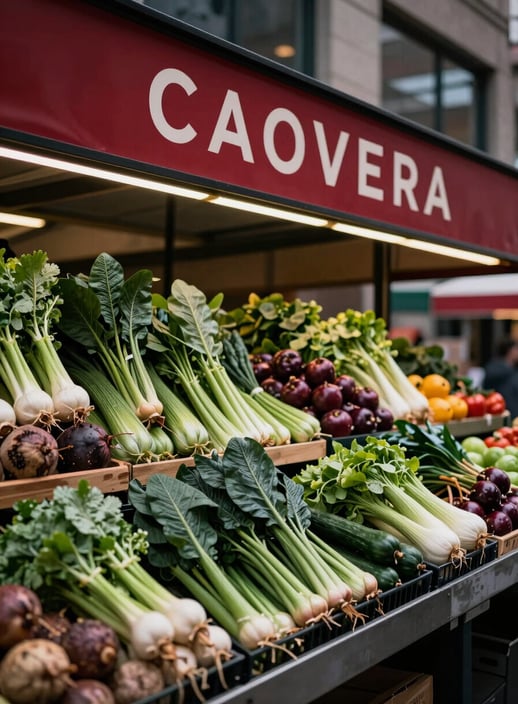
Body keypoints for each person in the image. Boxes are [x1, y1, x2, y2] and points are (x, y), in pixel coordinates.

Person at [483, 337, 518, 418]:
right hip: (503, 416)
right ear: (510, 351)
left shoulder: (513, 370)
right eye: (516, 349)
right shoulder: (495, 369)